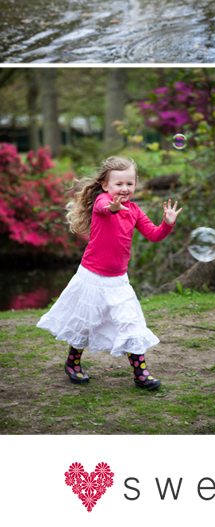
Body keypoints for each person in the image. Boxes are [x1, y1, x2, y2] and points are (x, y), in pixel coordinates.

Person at [37, 157, 181, 390]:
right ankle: (72, 363)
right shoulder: (102, 202)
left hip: (118, 280)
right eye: (119, 184)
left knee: (130, 322)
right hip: (92, 276)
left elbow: (153, 235)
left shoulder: (134, 210)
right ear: (105, 185)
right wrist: (112, 207)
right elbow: (102, 208)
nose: (125, 189)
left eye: (130, 184)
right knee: (85, 322)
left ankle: (141, 373)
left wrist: (167, 223)